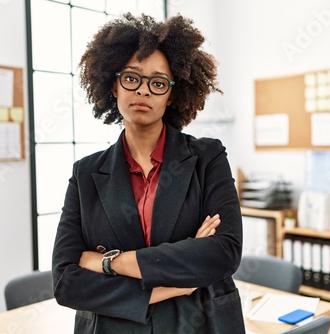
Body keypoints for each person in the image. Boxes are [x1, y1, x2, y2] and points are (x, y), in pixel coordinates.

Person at [52, 13, 244, 334]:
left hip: (199, 323)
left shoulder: (207, 157)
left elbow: (224, 253)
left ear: (171, 94)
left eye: (157, 83)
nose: (143, 91)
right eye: (131, 78)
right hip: (115, 327)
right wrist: (175, 283)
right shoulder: (85, 173)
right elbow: (66, 281)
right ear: (114, 85)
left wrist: (108, 263)